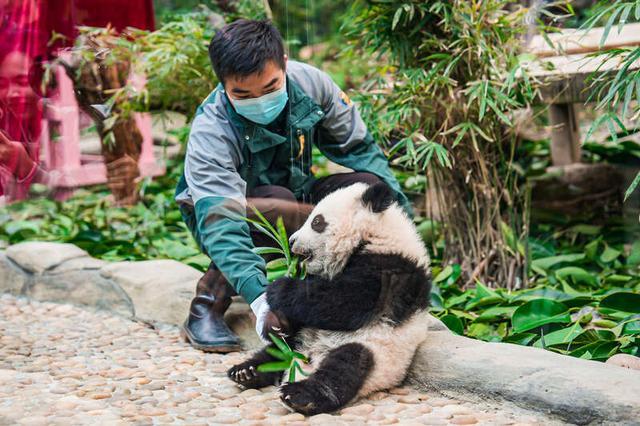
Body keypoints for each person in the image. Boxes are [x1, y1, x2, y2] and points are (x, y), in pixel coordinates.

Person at [175, 19, 412, 353]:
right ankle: (205, 307)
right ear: (222, 84)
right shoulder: (211, 129)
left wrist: (403, 227)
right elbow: (220, 221)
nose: (258, 100)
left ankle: (346, 297)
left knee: (365, 189)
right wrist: (260, 302)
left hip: (295, 194)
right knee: (278, 203)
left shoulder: (312, 84)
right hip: (223, 214)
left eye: (270, 88)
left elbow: (360, 150)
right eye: (242, 94)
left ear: (284, 64)